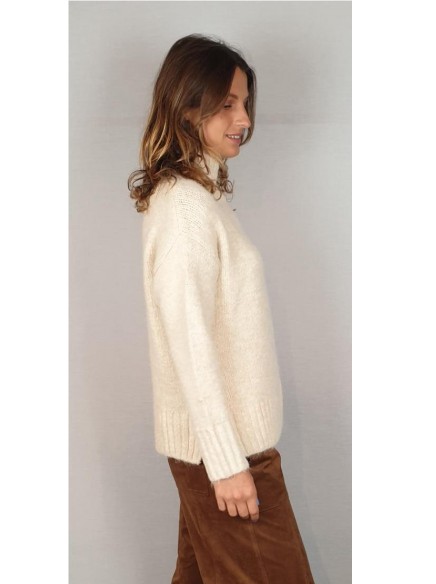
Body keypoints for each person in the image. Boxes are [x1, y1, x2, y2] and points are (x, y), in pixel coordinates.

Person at [128, 33, 315, 584]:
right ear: (188, 108)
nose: (245, 119)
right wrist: (228, 463)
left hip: (223, 450)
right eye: (227, 103)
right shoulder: (185, 208)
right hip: (229, 454)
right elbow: (189, 340)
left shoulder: (201, 197)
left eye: (245, 102)